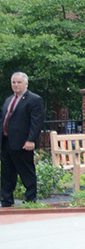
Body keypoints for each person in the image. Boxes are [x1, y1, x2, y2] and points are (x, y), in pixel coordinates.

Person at [0, 72, 46, 206]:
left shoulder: (34, 100)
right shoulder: (8, 100)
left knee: (26, 172)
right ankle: (6, 201)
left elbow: (36, 122)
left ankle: (30, 199)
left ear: (26, 83)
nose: (16, 85)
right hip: (7, 142)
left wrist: (31, 140)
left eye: (19, 82)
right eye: (14, 82)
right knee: (7, 173)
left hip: (23, 143)